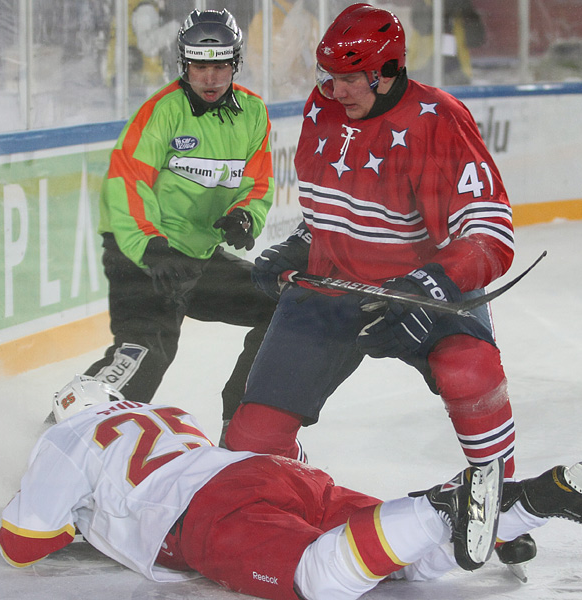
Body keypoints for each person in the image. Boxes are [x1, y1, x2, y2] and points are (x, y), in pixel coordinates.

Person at [223, 1, 533, 566]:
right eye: (329, 77)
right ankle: (286, 496)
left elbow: (490, 231)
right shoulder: (324, 108)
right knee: (251, 437)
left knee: (471, 368)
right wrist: (297, 248)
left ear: (387, 71)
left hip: (420, 288)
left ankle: (504, 508)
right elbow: (328, 213)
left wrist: (432, 286)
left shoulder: (440, 120)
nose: (333, 90)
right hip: (335, 287)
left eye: (348, 78)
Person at [0, 375, 582, 600]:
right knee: (404, 564)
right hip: (274, 473)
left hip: (206, 515)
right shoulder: (166, 414)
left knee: (320, 580)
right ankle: (533, 500)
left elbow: (22, 543)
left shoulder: (66, 436)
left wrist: (73, 522)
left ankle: (443, 501)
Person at [64, 9, 277, 442]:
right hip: (141, 254)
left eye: (220, 65)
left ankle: (243, 425)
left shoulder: (253, 113)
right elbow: (126, 183)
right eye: (200, 65)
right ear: (185, 64)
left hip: (198, 257)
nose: (211, 77)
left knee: (282, 309)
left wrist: (244, 216)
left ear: (235, 63)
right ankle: (60, 436)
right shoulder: (161, 112)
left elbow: (258, 183)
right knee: (146, 354)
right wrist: (150, 247)